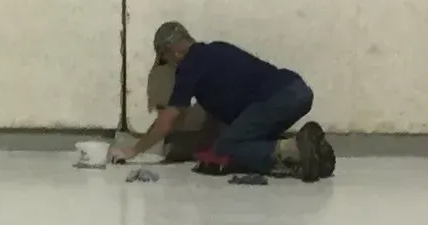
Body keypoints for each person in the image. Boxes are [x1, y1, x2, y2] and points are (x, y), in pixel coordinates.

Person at [113, 23, 335, 181]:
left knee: (229, 148)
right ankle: (316, 155)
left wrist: (132, 151)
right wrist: (207, 148)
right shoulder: (216, 50)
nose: (169, 66)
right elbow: (216, 121)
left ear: (174, 52)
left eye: (165, 60)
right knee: (236, 141)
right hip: (297, 89)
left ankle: (293, 150)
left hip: (278, 98)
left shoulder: (189, 66)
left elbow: (167, 121)